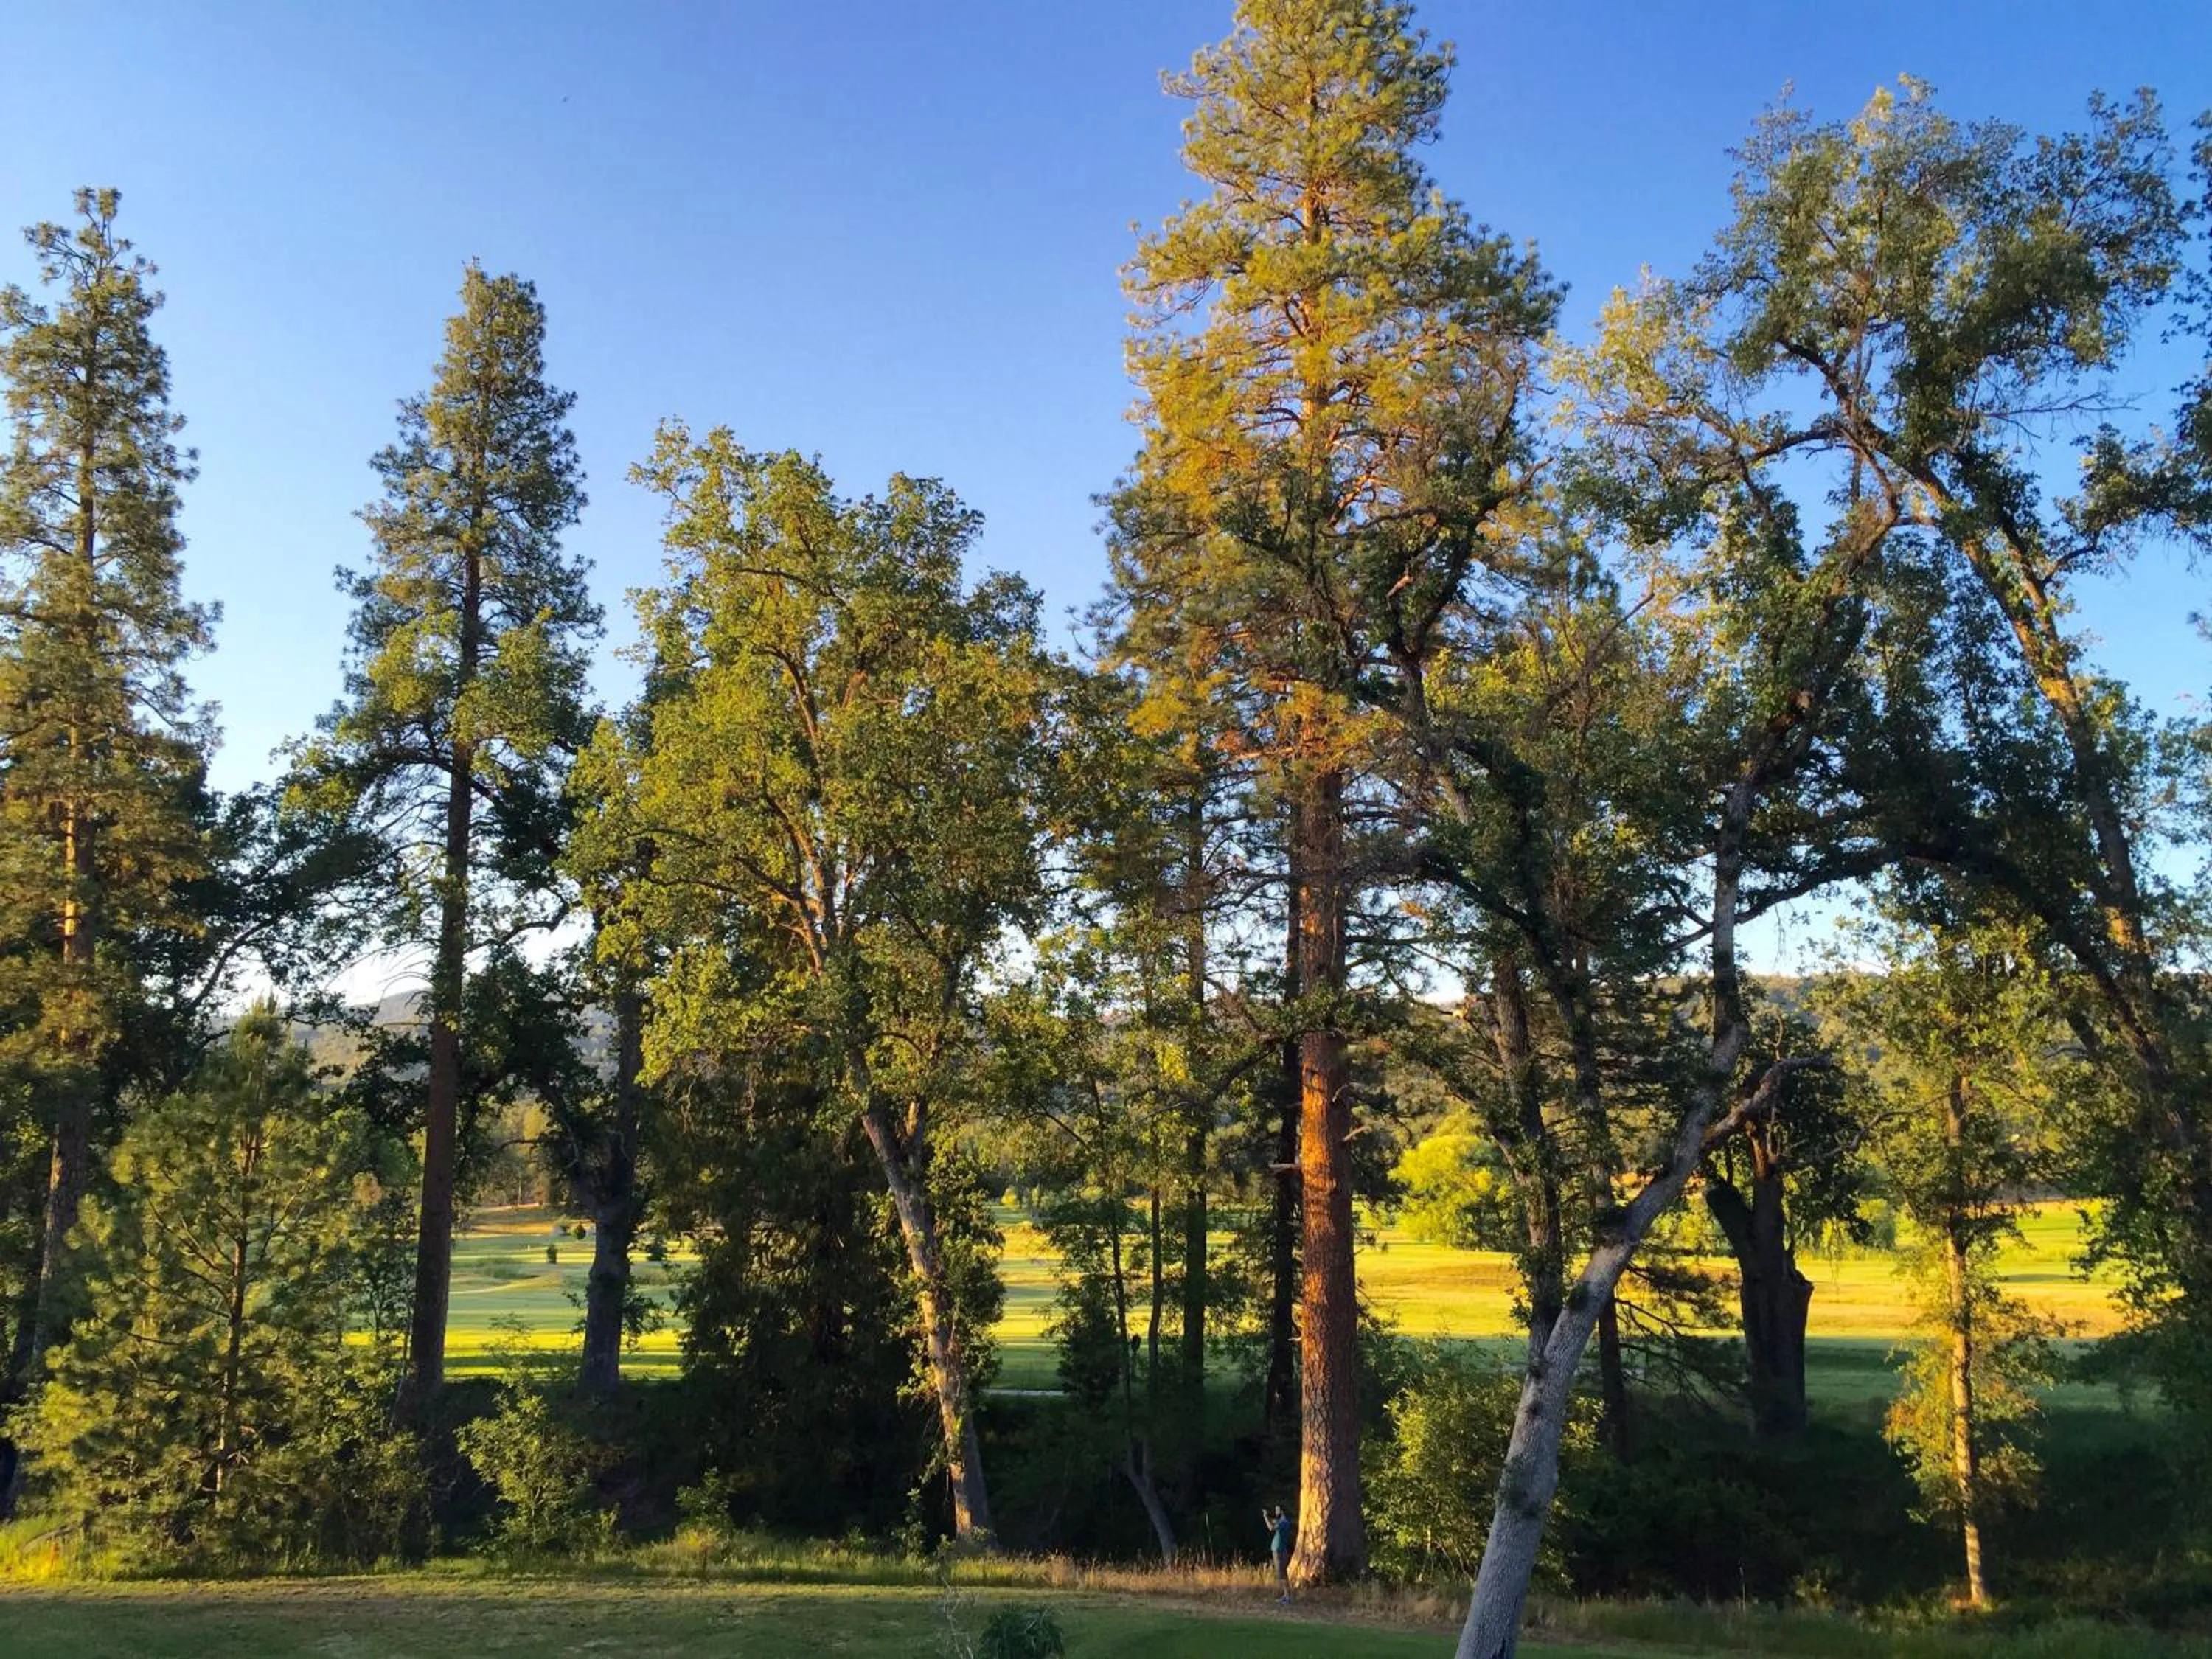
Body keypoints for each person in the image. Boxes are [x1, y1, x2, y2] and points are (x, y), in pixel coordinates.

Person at [1263, 1504, 1294, 1603]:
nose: (1276, 1513)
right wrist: (1267, 1516)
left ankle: (1288, 1597)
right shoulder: (1282, 1522)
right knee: (1281, 1574)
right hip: (1278, 1550)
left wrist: (1265, 1517)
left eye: (1277, 1511)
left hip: (1280, 1551)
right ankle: (1286, 1596)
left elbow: (1271, 1528)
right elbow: (1273, 1521)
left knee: (1282, 1574)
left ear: (1282, 1512)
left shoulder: (1284, 1523)